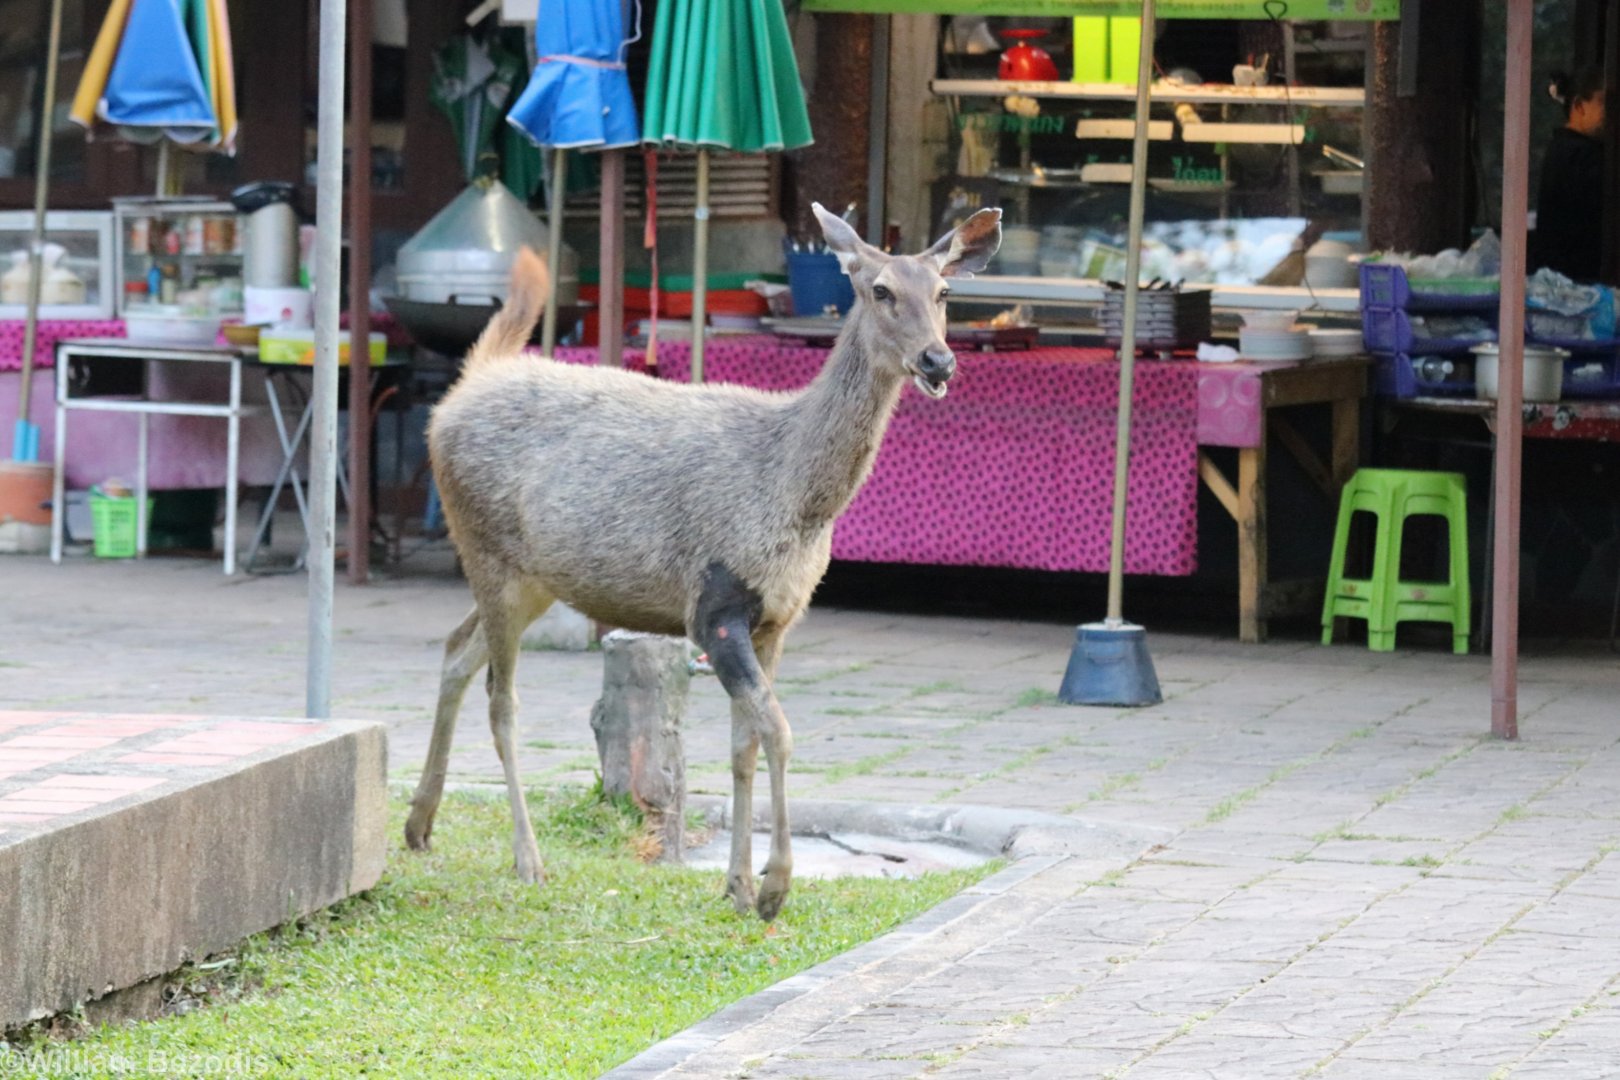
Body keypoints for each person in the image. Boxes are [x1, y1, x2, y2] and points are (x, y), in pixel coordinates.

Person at [1534, 66, 1606, 282]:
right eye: (1605, 104)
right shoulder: (1580, 156)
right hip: (1577, 280)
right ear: (1579, 106)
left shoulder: (1564, 149)